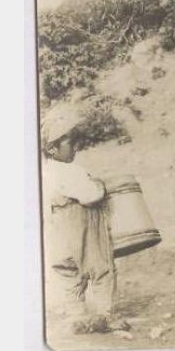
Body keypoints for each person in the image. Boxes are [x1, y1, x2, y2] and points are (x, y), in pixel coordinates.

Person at [40, 104, 121, 333]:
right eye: (71, 143)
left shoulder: (44, 172)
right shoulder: (70, 171)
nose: (76, 146)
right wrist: (100, 186)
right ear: (52, 148)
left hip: (58, 233)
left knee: (68, 272)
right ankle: (105, 314)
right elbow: (90, 194)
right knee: (101, 267)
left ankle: (77, 316)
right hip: (84, 229)